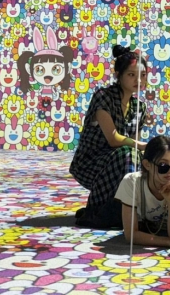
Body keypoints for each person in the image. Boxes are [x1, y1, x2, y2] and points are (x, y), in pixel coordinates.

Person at [69, 45, 148, 229]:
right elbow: (113, 139)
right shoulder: (103, 97)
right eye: (131, 75)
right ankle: (96, 211)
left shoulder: (140, 107)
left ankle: (122, 209)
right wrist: (144, 146)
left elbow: (134, 144)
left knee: (141, 161)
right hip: (90, 163)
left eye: (143, 75)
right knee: (128, 154)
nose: (139, 80)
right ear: (118, 75)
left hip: (120, 161)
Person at [116, 135, 170, 249]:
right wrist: (168, 242)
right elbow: (130, 235)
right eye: (163, 165)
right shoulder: (131, 182)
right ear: (147, 165)